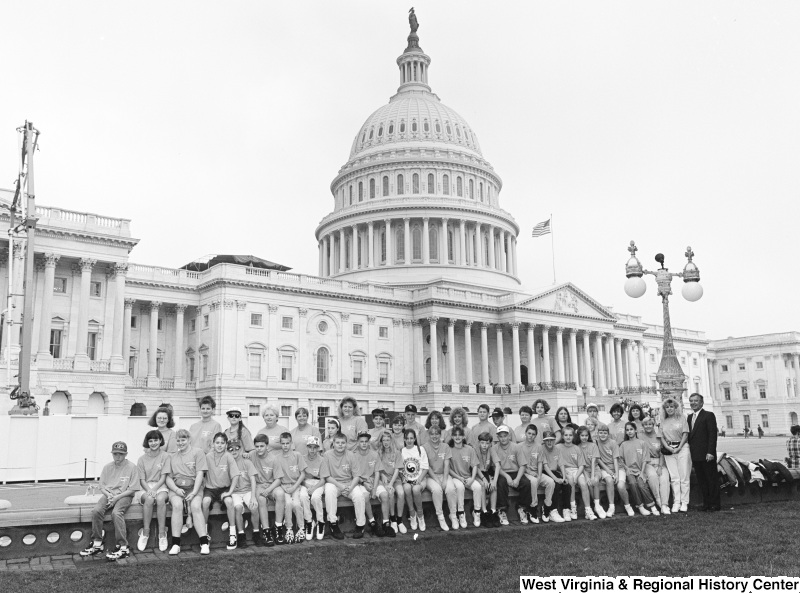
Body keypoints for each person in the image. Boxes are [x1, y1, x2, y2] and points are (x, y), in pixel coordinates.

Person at [80, 441, 139, 561]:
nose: (118, 456)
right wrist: (109, 495)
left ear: (126, 454)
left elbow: (133, 489)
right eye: (115, 454)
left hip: (124, 495)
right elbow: (102, 486)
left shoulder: (132, 467)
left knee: (116, 513)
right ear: (112, 454)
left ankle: (123, 546)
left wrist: (117, 498)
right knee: (96, 511)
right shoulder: (107, 467)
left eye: (121, 454)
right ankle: (97, 542)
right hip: (109, 494)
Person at [164, 429, 210, 555]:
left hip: (194, 487)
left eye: (183, 440)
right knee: (177, 506)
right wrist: (176, 490)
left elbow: (200, 473)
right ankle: (175, 543)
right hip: (177, 488)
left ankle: (204, 542)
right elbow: (168, 477)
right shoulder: (171, 456)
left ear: (189, 440)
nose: (180, 443)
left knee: (195, 506)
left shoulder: (198, 452)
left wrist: (194, 492)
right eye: (178, 440)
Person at [320, 432, 365, 539]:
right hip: (334, 483)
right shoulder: (327, 455)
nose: (340, 445)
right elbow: (326, 476)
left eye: (343, 443)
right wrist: (340, 486)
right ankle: (333, 524)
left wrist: (350, 488)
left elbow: (357, 476)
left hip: (349, 484)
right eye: (338, 442)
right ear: (333, 443)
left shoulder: (351, 455)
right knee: (329, 490)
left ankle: (360, 525)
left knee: (359, 495)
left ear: (346, 444)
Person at [202, 433, 239, 547]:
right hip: (210, 489)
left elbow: (235, 476)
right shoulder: (208, 456)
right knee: (205, 502)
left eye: (222, 443)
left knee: (229, 502)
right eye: (217, 443)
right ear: (213, 444)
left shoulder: (228, 456)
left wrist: (230, 492)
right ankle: (204, 534)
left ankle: (232, 534)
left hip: (224, 489)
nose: (219, 445)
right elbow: (201, 474)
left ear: (226, 444)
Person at [135, 430, 170, 552]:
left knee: (160, 499)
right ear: (147, 442)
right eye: (150, 441)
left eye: (156, 440)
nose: (153, 443)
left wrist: (155, 489)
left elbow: (164, 477)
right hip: (145, 487)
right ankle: (145, 533)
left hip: (161, 486)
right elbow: (141, 479)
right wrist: (149, 490)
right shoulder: (142, 459)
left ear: (160, 441)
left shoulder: (165, 456)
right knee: (149, 499)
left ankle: (162, 534)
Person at [250, 433, 286, 546]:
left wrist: (269, 490)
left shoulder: (273, 459)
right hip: (259, 485)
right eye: (256, 446)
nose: (259, 449)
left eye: (261, 446)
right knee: (261, 499)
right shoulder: (252, 455)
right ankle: (266, 531)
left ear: (267, 446)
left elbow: (278, 479)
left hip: (272, 485)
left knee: (280, 494)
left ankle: (278, 527)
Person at [688, 393, 720, 512]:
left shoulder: (708, 415)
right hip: (695, 455)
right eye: (691, 401)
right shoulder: (690, 417)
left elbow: (712, 435)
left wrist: (710, 452)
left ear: (701, 402)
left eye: (696, 401)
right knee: (702, 481)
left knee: (711, 480)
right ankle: (706, 504)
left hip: (707, 455)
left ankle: (715, 504)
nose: (693, 403)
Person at [353, 431, 389, 537]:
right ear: (358, 443)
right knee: (365, 496)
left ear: (369, 442)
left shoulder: (374, 454)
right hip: (361, 483)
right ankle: (372, 522)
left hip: (374, 481)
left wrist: (374, 488)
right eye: (361, 441)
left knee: (385, 495)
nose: (364, 443)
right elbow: (355, 475)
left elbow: (377, 472)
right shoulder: (354, 456)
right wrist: (364, 483)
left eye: (366, 441)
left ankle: (386, 523)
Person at [493, 425, 531, 525]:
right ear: (497, 437)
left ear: (509, 436)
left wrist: (517, 479)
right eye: (500, 436)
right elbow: (495, 467)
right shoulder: (494, 448)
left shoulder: (516, 447)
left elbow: (522, 465)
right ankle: (502, 510)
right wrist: (507, 477)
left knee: (526, 483)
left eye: (505, 435)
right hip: (502, 472)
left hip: (515, 472)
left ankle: (522, 508)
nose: (503, 438)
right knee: (501, 483)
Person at [556, 425, 596, 520]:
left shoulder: (577, 448)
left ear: (573, 436)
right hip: (564, 471)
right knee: (571, 482)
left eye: (570, 435)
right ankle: (572, 508)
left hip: (577, 470)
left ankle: (588, 510)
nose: (568, 437)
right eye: (566, 435)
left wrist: (577, 476)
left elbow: (581, 465)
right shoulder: (558, 447)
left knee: (583, 484)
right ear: (562, 436)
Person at [619, 422, 659, 516]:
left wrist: (642, 472)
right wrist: (626, 468)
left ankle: (652, 506)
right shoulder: (624, 444)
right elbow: (620, 459)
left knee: (641, 484)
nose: (629, 431)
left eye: (631, 429)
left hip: (640, 470)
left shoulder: (642, 443)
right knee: (633, 483)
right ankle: (640, 506)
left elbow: (645, 459)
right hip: (629, 471)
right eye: (627, 430)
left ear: (635, 430)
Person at [422, 426, 457, 530]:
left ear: (440, 435)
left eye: (436, 433)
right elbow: (426, 466)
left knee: (450, 489)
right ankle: (441, 517)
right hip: (430, 476)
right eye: (432, 434)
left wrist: (445, 480)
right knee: (437, 490)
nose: (434, 436)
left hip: (444, 474)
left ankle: (453, 515)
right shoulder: (424, 447)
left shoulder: (445, 446)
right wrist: (437, 480)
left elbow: (447, 465)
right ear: (429, 435)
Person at [226, 438, 259, 549]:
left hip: (247, 491)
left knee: (254, 507)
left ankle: (256, 533)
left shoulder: (246, 462)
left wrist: (253, 497)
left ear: (241, 449)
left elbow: (253, 480)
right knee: (238, 507)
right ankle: (241, 534)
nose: (234, 451)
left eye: (236, 448)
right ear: (227, 451)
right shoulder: (227, 462)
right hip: (235, 492)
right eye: (231, 449)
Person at [275, 432, 307, 543]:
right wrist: (283, 488)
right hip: (284, 487)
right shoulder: (277, 458)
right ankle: (289, 529)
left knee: (297, 504)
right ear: (280, 444)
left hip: (295, 486)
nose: (285, 446)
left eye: (287, 443)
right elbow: (277, 477)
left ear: (291, 443)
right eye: (283, 443)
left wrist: (295, 487)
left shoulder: (297, 455)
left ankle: (301, 528)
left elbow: (303, 474)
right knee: (288, 504)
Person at [447, 426, 482, 528]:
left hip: (468, 477)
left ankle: (477, 512)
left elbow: (475, 465)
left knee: (478, 487)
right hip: (455, 478)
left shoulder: (469, 449)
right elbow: (448, 468)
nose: (457, 437)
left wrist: (472, 478)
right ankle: (461, 513)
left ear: (463, 436)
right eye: (455, 435)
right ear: (452, 436)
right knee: (460, 487)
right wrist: (459, 477)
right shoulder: (449, 449)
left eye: (460, 435)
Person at [660, 397, 690, 513]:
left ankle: (684, 502)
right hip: (669, 450)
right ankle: (676, 502)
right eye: (667, 407)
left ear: (676, 408)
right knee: (674, 477)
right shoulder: (663, 420)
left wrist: (679, 447)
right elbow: (661, 436)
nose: (669, 409)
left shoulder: (682, 418)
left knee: (684, 477)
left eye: (671, 406)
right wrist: (668, 447)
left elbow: (685, 434)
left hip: (682, 448)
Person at [594, 423, 629, 518]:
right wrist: (608, 471)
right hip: (605, 468)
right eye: (600, 433)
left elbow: (615, 460)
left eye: (605, 433)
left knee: (620, 486)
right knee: (609, 481)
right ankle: (611, 506)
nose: (603, 435)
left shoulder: (613, 443)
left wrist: (616, 474)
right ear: (598, 433)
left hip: (618, 467)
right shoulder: (596, 443)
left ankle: (627, 505)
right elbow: (598, 459)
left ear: (608, 434)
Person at [397, 428, 429, 531]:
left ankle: (420, 515)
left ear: (415, 438)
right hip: (408, 479)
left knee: (415, 489)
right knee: (406, 488)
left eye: (411, 438)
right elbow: (401, 470)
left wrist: (419, 479)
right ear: (404, 439)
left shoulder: (420, 449)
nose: (409, 440)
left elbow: (425, 468)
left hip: (420, 478)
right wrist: (403, 479)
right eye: (407, 438)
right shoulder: (402, 451)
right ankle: (412, 514)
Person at [640, 416, 671, 514]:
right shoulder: (639, 436)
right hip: (647, 463)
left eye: (650, 424)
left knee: (664, 478)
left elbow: (662, 452)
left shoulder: (659, 436)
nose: (648, 426)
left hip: (659, 462)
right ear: (643, 426)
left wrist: (660, 467)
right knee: (653, 477)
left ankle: (664, 504)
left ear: (653, 425)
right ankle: (658, 501)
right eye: (645, 424)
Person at [576, 425, 606, 519]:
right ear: (579, 436)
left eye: (586, 435)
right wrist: (587, 477)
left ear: (588, 436)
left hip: (595, 469)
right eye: (582, 435)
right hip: (584, 471)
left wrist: (592, 476)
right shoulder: (577, 447)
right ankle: (596, 505)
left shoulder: (593, 445)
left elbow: (594, 462)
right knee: (588, 483)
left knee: (595, 481)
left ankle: (597, 506)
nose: (584, 437)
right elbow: (581, 464)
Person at [378, 430, 405, 535]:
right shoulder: (379, 453)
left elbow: (397, 470)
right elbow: (378, 468)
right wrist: (382, 475)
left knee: (401, 493)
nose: (386, 442)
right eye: (384, 440)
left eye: (388, 440)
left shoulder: (397, 453)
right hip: (384, 480)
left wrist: (391, 483)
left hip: (395, 479)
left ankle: (399, 520)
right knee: (390, 493)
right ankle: (392, 519)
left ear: (391, 440)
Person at [540, 430, 570, 522]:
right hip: (544, 472)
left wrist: (564, 477)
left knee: (567, 485)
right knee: (555, 485)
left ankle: (566, 509)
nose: (549, 442)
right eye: (547, 440)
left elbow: (561, 464)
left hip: (554, 471)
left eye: (551, 440)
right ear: (544, 441)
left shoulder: (557, 449)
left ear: (554, 440)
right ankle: (553, 511)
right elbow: (545, 467)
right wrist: (556, 479)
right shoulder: (541, 449)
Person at [302, 436, 327, 540]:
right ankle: (309, 521)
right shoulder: (302, 458)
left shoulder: (322, 460)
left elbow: (323, 479)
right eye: (310, 447)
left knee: (315, 497)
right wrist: (306, 485)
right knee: (303, 496)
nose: (312, 450)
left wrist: (313, 488)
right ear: (307, 447)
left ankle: (320, 521)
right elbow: (300, 477)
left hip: (318, 483)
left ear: (318, 448)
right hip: (305, 483)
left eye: (315, 447)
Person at [474, 431, 500, 527]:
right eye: (482, 443)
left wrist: (494, 481)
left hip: (486, 472)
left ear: (490, 443)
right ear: (479, 442)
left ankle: (493, 512)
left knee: (494, 486)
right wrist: (484, 479)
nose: (485, 446)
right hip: (476, 472)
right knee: (483, 485)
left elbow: (497, 465)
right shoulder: (475, 450)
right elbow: (475, 467)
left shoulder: (491, 450)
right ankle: (484, 512)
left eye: (487, 443)